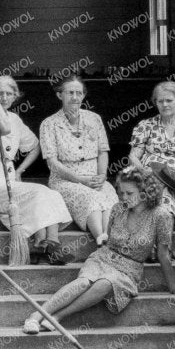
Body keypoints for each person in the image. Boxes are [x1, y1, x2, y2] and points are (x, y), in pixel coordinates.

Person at [21, 164, 175, 334]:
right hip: (103, 258)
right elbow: (108, 238)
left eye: (129, 193)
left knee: (105, 283)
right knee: (83, 282)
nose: (123, 197)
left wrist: (173, 288)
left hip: (128, 271)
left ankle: (57, 317)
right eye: (121, 192)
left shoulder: (161, 216)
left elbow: (163, 255)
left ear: (145, 192)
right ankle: (36, 315)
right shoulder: (118, 209)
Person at [0, 75, 72, 262]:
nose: (4, 98)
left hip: (10, 177)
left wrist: (19, 170)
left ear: (15, 96)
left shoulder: (15, 118)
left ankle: (48, 244)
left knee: (50, 193)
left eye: (9, 94)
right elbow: (4, 128)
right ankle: (45, 246)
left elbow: (35, 145)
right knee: (37, 194)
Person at [39, 74, 118, 245]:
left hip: (94, 177)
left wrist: (103, 175)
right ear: (60, 95)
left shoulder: (94, 118)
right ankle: (101, 238)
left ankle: (107, 238)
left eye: (79, 93)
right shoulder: (49, 124)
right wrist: (80, 180)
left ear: (83, 95)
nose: (75, 97)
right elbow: (52, 162)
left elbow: (103, 151)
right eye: (70, 93)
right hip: (65, 180)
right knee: (90, 197)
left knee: (109, 197)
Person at [127, 79, 175, 245]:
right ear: (155, 102)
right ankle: (158, 242)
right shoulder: (145, 125)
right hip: (147, 175)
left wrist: (168, 175)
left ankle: (156, 243)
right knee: (150, 194)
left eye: (169, 100)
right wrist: (144, 172)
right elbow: (133, 156)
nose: (164, 104)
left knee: (160, 198)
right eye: (160, 101)